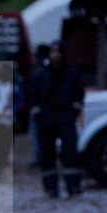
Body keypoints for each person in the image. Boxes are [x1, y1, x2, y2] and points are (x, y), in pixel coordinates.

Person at [27, 39, 84, 197]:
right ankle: (50, 187)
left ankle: (73, 185)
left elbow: (79, 93)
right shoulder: (40, 73)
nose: (55, 55)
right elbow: (32, 95)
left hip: (65, 118)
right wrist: (38, 113)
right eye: (53, 52)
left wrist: (73, 111)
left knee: (70, 152)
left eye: (58, 52)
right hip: (46, 119)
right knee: (47, 154)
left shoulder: (71, 73)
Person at [26, 44, 49, 168]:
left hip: (37, 107)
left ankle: (39, 158)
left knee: (36, 135)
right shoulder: (48, 69)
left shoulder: (37, 69)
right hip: (45, 107)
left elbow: (32, 90)